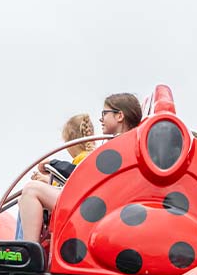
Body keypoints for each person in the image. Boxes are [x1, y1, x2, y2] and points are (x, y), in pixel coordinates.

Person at [19, 93, 143, 243]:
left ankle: (29, 250)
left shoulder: (119, 146)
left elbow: (82, 175)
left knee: (32, 190)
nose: (101, 119)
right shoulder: (129, 145)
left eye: (105, 113)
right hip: (103, 204)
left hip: (96, 207)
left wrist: (52, 164)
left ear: (119, 116)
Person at [31, 113, 97, 183]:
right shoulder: (92, 156)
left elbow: (70, 184)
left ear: (71, 142)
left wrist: (46, 179)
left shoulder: (81, 158)